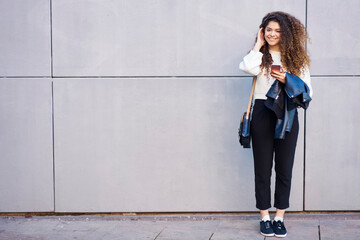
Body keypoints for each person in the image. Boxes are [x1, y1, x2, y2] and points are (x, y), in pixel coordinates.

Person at [239, 11, 313, 238]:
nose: (272, 34)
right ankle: (264, 217)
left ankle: (279, 217)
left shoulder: (296, 59)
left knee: (284, 168)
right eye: (268, 30)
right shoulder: (259, 56)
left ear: (286, 34)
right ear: (263, 31)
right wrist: (258, 45)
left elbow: (308, 91)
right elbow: (245, 67)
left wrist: (287, 79)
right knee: (262, 168)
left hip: (288, 114)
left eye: (278, 31)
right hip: (262, 111)